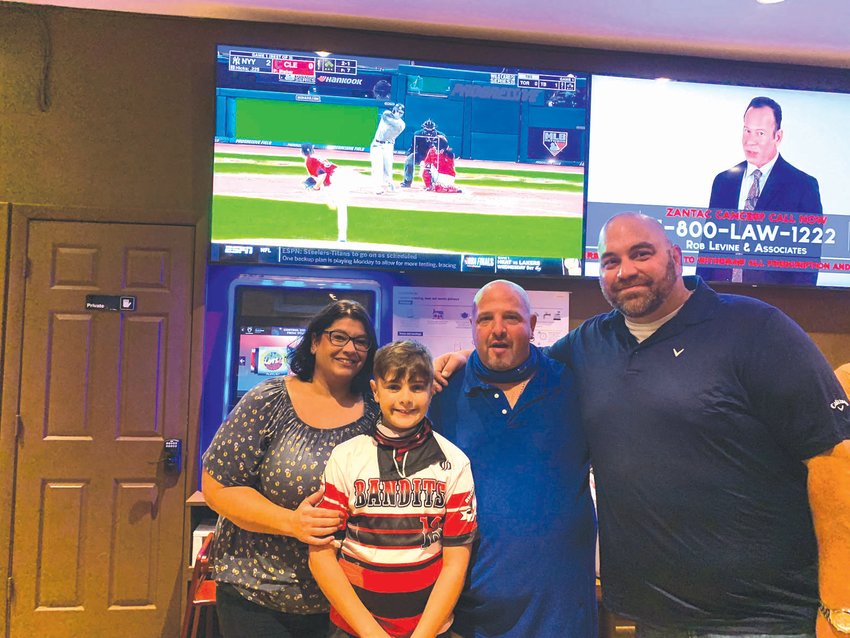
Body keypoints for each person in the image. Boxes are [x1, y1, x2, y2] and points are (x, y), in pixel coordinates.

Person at [437, 213, 850, 637]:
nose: (626, 270)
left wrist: (840, 608)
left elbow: (835, 458)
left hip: (762, 618)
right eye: (610, 260)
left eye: (641, 254)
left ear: (676, 256)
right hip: (654, 617)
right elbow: (520, 360)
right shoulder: (589, 344)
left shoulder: (755, 328)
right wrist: (464, 362)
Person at [428, 280, 598, 638]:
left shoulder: (573, 382)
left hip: (563, 614)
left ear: (533, 326)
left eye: (512, 318)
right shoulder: (442, 394)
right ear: (472, 327)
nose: (499, 329)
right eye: (486, 319)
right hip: (471, 616)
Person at [202, 300, 381, 638]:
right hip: (257, 595)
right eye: (338, 337)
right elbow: (217, 488)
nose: (350, 348)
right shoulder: (269, 399)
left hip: (346, 603)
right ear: (315, 342)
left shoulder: (377, 412)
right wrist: (291, 523)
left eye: (360, 341)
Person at [309, 340, 477, 638]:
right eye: (394, 386)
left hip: (430, 630)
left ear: (430, 391)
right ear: (375, 390)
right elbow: (321, 555)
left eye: (417, 386)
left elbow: (455, 564)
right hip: (353, 629)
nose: (406, 399)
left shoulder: (455, 462)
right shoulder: (346, 457)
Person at [698, 96, 823, 285]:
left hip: (773, 304)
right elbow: (708, 250)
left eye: (760, 133)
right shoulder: (723, 182)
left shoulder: (802, 186)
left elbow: (807, 266)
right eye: (747, 131)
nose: (750, 141)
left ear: (777, 137)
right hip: (721, 301)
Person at [370, 103, 406, 194]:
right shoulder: (386, 113)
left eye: (401, 112)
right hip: (377, 144)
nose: (399, 113)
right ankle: (377, 187)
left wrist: (394, 116)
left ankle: (390, 184)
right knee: (377, 166)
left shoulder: (402, 124)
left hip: (388, 146)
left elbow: (393, 123)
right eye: (397, 111)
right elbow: (386, 116)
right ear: (394, 110)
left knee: (388, 167)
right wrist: (394, 113)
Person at [401, 119, 448, 188]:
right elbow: (413, 147)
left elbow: (445, 147)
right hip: (421, 154)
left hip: (433, 156)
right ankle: (407, 181)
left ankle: (435, 183)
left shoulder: (441, 135)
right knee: (409, 161)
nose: (429, 132)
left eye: (431, 130)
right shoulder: (417, 134)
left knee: (436, 166)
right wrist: (410, 153)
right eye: (427, 130)